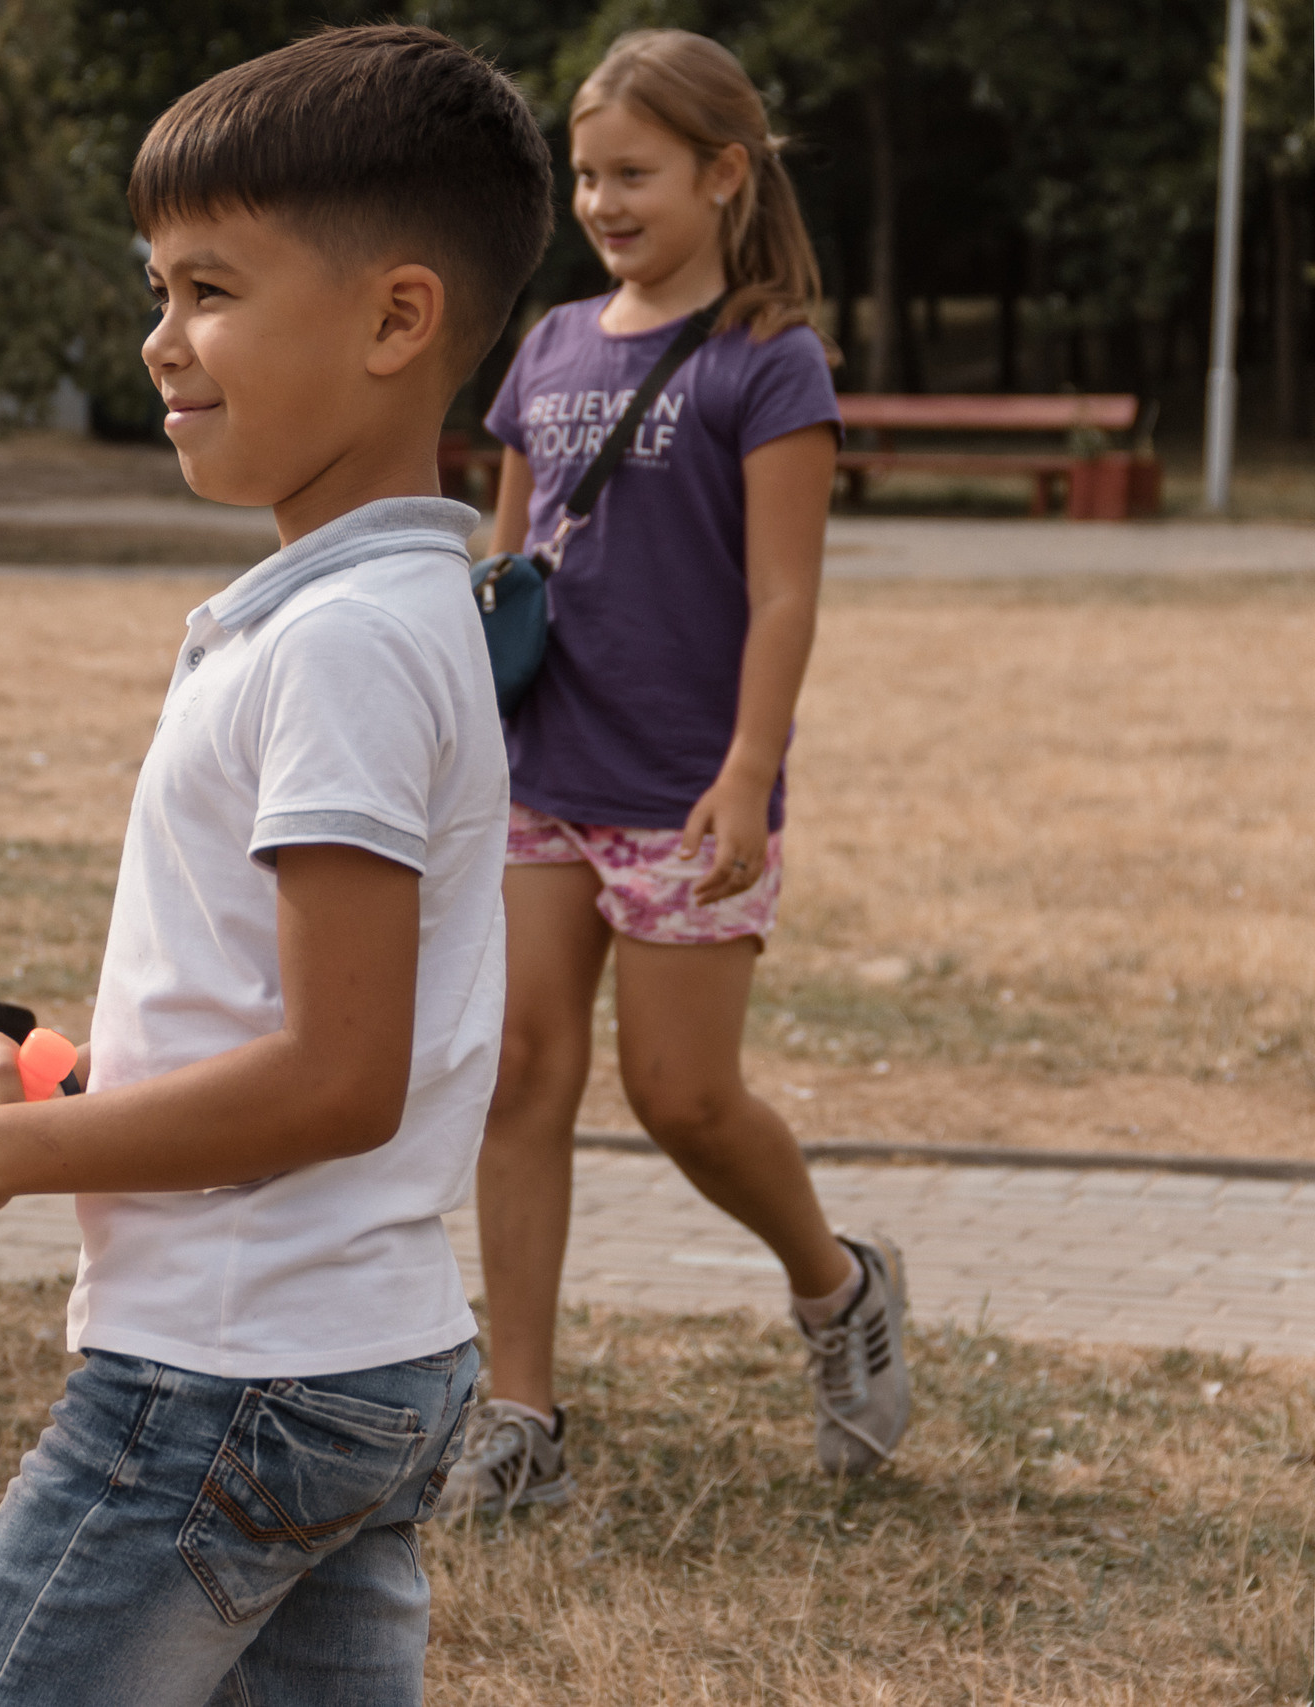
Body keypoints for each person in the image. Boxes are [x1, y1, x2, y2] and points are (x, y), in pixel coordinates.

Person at [0, 25, 552, 1703]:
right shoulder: (361, 612)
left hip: (224, 1387)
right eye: (157, 291)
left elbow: (337, 1076)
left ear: (395, 319)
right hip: (353, 1367)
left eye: (210, 290)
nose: (161, 342)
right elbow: (266, 1007)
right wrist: (52, 1087)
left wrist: (1, 1167)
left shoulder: (350, 645)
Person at [450, 28, 911, 1517]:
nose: (601, 202)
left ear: (724, 175)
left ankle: (838, 1288)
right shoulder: (549, 346)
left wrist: (746, 772)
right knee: (520, 1071)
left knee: (684, 1097)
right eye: (586, 175)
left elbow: (785, 594)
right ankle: (519, 1417)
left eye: (632, 173)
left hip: (683, 789)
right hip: (543, 774)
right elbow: (504, 558)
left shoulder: (767, 363)